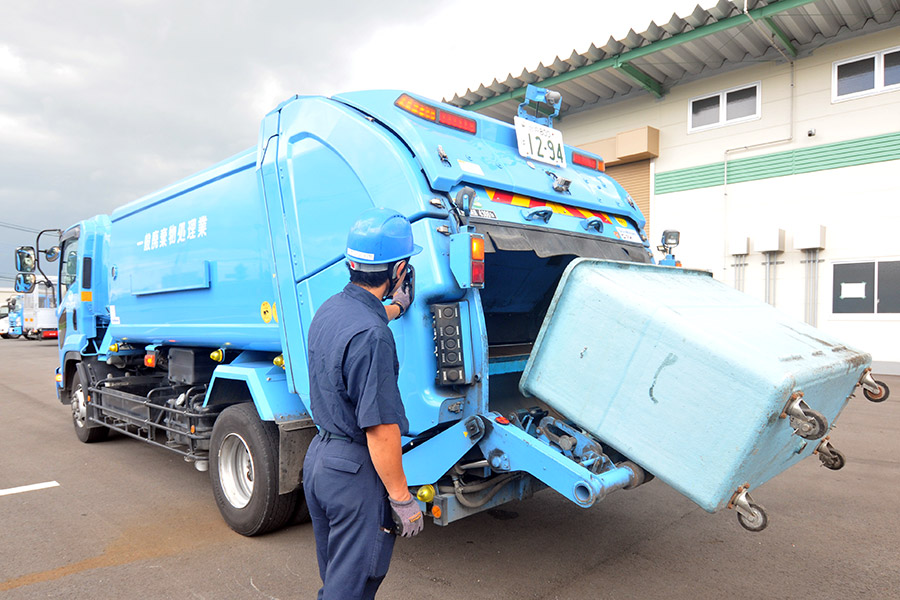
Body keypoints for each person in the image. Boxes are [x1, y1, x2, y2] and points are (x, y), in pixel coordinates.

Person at [303, 207, 425, 600]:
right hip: (355, 474)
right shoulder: (373, 336)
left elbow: (365, 323)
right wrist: (402, 499)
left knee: (336, 577)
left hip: (321, 460)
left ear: (352, 263)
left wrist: (397, 308)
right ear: (401, 268)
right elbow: (381, 430)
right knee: (351, 590)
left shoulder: (330, 310)